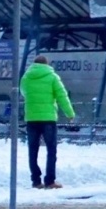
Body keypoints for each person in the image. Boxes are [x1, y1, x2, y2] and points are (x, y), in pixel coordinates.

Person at [20, 55, 76, 189]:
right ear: (47, 64)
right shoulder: (52, 77)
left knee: (33, 150)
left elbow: (23, 92)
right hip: (48, 119)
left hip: (32, 118)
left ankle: (36, 181)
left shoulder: (26, 78)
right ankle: (50, 181)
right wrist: (70, 113)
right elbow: (62, 96)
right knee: (51, 150)